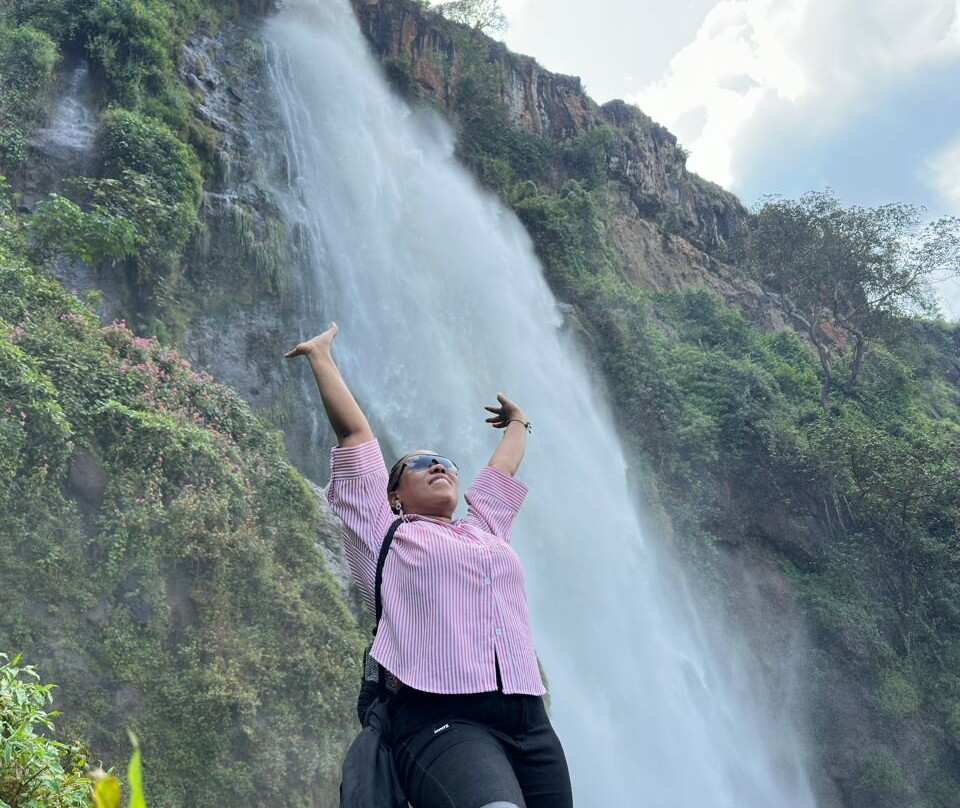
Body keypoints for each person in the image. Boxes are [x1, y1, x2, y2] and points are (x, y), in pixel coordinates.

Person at [285, 323, 573, 808]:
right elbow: (355, 433)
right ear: (392, 494)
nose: (438, 466)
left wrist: (521, 421)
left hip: (529, 720)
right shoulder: (385, 530)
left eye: (445, 462)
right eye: (419, 464)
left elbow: (500, 470)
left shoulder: (484, 528)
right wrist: (321, 357)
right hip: (442, 718)